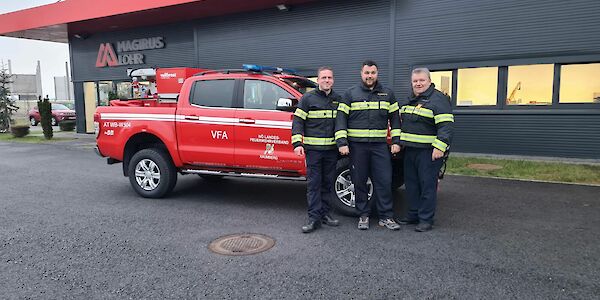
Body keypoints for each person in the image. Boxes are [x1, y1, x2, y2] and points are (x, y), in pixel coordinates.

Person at [335, 60, 402, 230]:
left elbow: (395, 120)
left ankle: (386, 216)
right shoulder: (350, 94)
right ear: (361, 73)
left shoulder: (388, 94)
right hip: (358, 147)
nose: (370, 76)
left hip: (380, 146)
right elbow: (341, 120)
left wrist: (396, 141)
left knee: (384, 181)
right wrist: (342, 143)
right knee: (359, 181)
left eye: (373, 73)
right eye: (367, 73)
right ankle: (363, 215)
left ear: (377, 74)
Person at [397, 67, 454, 232]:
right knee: (412, 185)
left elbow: (446, 127)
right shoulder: (411, 100)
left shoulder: (438, 99)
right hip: (410, 151)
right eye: (415, 81)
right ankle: (413, 214)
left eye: (421, 80)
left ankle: (426, 219)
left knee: (427, 186)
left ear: (429, 81)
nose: (418, 83)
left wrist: (439, 147)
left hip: (429, 152)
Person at [292, 66, 341, 233]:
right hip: (313, 151)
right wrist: (297, 143)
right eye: (324, 78)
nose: (327, 80)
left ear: (333, 80)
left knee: (328, 184)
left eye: (330, 77)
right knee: (314, 185)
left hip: (331, 151)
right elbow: (298, 122)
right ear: (318, 80)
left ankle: (325, 214)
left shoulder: (338, 99)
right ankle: (314, 218)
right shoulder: (307, 99)